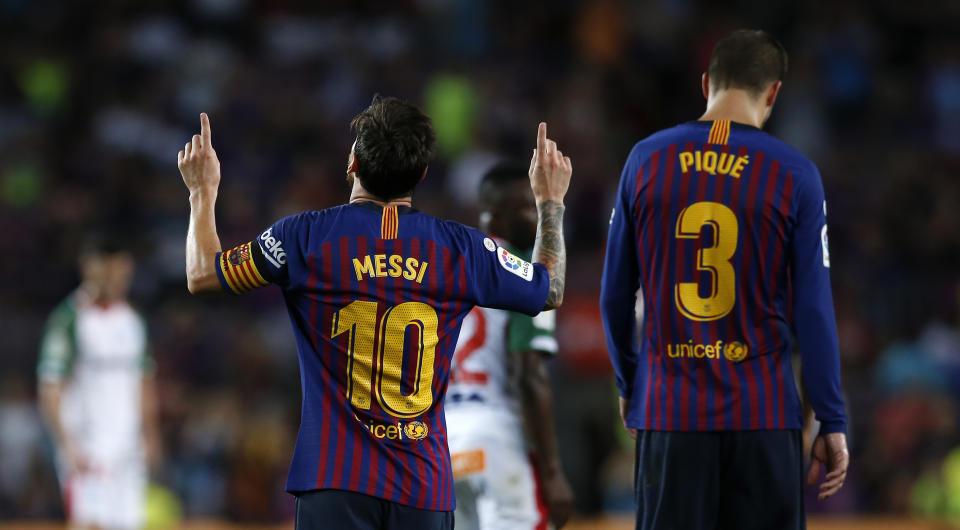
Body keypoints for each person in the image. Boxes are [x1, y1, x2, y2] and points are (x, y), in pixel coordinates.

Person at [177, 97, 572, 530]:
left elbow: (202, 275)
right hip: (423, 486)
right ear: (421, 174)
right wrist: (550, 202)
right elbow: (548, 288)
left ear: (352, 163)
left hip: (333, 480)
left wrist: (202, 192)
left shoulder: (303, 236)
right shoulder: (464, 248)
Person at [600, 29, 849, 530]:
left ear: (706, 82)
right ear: (774, 92)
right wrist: (830, 416)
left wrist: (631, 381)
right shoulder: (795, 173)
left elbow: (614, 295)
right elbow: (814, 308)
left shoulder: (645, 159)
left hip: (669, 412)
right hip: (764, 416)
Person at [446, 163, 575, 530]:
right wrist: (551, 473)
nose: (536, 219)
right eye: (526, 208)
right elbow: (529, 374)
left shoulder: (450, 267)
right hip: (497, 435)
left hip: (443, 441)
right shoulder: (523, 270)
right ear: (494, 217)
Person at [38, 233, 160, 530]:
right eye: (107, 271)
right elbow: (50, 387)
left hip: (128, 444)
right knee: (91, 524)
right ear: (88, 268)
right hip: (87, 444)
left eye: (121, 272)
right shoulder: (68, 319)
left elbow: (144, 380)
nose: (115, 279)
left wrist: (151, 433)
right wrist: (66, 444)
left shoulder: (134, 320)